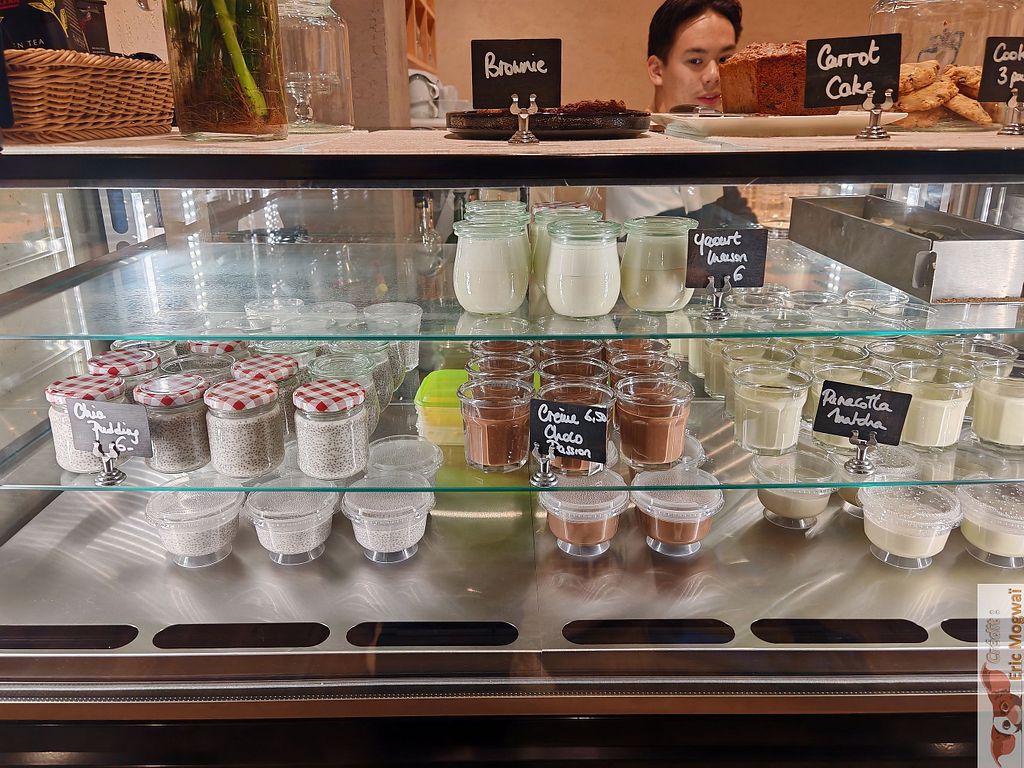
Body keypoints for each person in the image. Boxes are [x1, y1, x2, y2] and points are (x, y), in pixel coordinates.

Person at [606, 0, 756, 227]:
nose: (714, 75)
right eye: (696, 61)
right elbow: (665, 234)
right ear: (657, 70)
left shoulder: (710, 141)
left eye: (724, 60)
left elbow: (744, 225)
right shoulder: (633, 151)